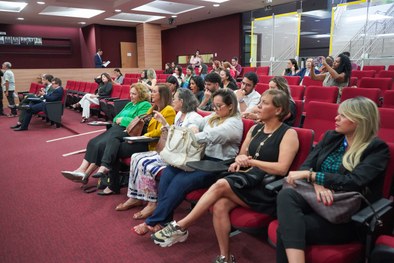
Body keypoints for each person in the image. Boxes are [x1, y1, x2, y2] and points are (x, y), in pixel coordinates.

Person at [151, 89, 299, 263]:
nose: (258, 107)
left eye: (264, 103)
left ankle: (181, 225)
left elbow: (282, 169)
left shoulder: (289, 133)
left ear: (279, 110)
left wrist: (251, 162)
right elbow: (241, 155)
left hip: (266, 188)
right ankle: (225, 257)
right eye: (260, 102)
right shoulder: (255, 129)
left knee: (221, 184)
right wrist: (240, 160)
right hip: (246, 180)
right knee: (220, 205)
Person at [275, 97, 389, 263]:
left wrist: (314, 176)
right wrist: (317, 184)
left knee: (286, 228)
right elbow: (305, 167)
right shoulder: (331, 137)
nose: (336, 118)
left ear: (359, 120)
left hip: (346, 215)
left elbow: (354, 181)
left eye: (343, 115)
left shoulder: (376, 149)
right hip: (317, 201)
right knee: (286, 196)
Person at [133, 88, 243, 235]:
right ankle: (165, 221)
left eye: (219, 106)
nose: (215, 109)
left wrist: (188, 135)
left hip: (218, 165)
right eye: (213, 105)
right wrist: (193, 127)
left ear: (230, 106)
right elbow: (199, 123)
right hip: (201, 160)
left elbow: (211, 135)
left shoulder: (234, 123)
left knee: (180, 181)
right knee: (168, 173)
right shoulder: (215, 116)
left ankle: (152, 221)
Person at [115, 89, 203, 220]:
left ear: (182, 101)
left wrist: (166, 126)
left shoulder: (194, 118)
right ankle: (135, 197)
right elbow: (174, 134)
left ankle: (152, 203)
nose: (172, 100)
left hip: (182, 156)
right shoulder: (179, 115)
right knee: (135, 157)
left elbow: (186, 137)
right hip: (172, 150)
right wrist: (164, 124)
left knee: (146, 163)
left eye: (175, 98)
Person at [59, 83, 155, 186]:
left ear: (141, 95)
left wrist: (122, 120)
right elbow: (115, 118)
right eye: (130, 93)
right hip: (116, 129)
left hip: (127, 131)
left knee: (101, 145)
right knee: (93, 142)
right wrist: (119, 119)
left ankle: (85, 174)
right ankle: (81, 169)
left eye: (134, 94)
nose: (131, 96)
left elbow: (139, 121)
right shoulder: (130, 104)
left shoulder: (145, 105)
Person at [90, 83, 175, 195]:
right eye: (152, 91)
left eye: (154, 92)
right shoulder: (152, 108)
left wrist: (144, 136)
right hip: (140, 139)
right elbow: (140, 123)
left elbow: (162, 131)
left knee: (114, 146)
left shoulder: (168, 110)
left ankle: (110, 178)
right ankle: (107, 173)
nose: (151, 93)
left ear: (162, 95)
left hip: (150, 143)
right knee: (114, 142)